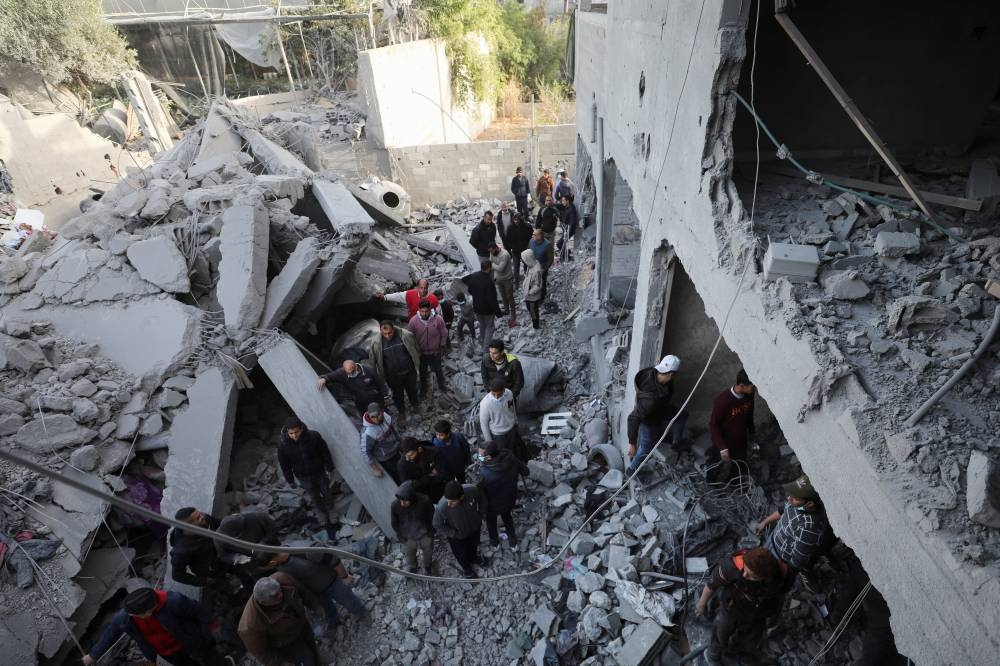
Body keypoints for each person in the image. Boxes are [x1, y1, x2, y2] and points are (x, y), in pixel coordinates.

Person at [695, 547, 791, 666]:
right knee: (721, 634)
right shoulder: (732, 567)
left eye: (752, 575)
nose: (745, 575)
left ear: (764, 577)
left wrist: (773, 615)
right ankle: (712, 656)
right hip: (731, 608)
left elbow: (779, 596)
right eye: (745, 569)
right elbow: (712, 584)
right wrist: (702, 604)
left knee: (749, 637)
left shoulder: (777, 578)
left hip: (757, 614)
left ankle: (737, 652)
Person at [83, 587, 226, 666]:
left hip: (189, 639)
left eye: (137, 615)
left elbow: (197, 610)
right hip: (167, 652)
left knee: (210, 657)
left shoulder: (173, 601)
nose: (133, 616)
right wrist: (92, 656)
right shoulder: (126, 616)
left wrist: (213, 625)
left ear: (149, 611)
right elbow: (110, 634)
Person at [262, 552, 366, 630]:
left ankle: (363, 614)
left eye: (266, 567)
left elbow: (333, 559)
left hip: (332, 582)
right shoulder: (279, 565)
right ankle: (333, 621)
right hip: (315, 590)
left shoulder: (304, 551)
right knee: (327, 609)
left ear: (272, 562)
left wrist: (344, 577)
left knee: (349, 601)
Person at [756, 474, 833, 574]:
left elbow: (798, 560)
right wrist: (765, 522)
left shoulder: (808, 527)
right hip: (772, 540)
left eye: (795, 498)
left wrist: (786, 570)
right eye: (791, 494)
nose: (789, 498)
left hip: (781, 559)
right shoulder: (796, 504)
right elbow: (782, 510)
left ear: (810, 504)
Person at [625, 354, 688, 475]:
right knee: (646, 448)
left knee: (682, 415)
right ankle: (631, 469)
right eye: (675, 375)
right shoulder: (650, 400)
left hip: (660, 409)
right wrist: (632, 443)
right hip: (649, 420)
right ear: (671, 374)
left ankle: (676, 444)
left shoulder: (652, 372)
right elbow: (633, 418)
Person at [238, 574, 321, 666]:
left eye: (280, 590)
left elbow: (303, 592)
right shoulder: (250, 626)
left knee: (313, 648)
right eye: (275, 596)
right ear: (263, 602)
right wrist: (281, 663)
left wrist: (316, 606)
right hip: (287, 642)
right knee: (306, 660)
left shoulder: (283, 579)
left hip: (302, 624)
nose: (281, 595)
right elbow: (262, 653)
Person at [170, 507, 254, 591]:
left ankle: (251, 587)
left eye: (200, 514)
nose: (203, 517)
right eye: (198, 518)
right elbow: (177, 575)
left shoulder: (205, 520)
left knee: (243, 573)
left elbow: (221, 525)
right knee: (227, 589)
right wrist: (204, 581)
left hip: (225, 556)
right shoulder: (182, 551)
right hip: (213, 572)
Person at [277, 417, 337, 534]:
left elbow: (325, 452)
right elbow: (284, 464)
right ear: (287, 432)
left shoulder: (314, 437)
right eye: (291, 433)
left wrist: (329, 468)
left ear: (301, 429)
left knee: (326, 490)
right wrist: (290, 480)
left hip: (319, 471)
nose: (294, 435)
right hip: (303, 476)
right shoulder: (283, 445)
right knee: (313, 495)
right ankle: (320, 512)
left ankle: (331, 509)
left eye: (296, 432)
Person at [477, 442, 527, 550]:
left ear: (489, 457)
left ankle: (495, 543)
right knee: (507, 518)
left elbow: (480, 494)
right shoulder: (511, 458)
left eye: (480, 455)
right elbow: (526, 471)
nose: (479, 457)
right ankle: (513, 542)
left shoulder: (484, 474)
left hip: (492, 505)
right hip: (509, 499)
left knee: (491, 522)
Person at [708, 369, 757, 479]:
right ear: (742, 386)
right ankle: (711, 482)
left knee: (739, 465)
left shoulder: (749, 395)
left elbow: (750, 414)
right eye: (753, 387)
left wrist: (752, 432)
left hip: (740, 440)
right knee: (716, 464)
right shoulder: (723, 401)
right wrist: (722, 447)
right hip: (724, 440)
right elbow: (713, 425)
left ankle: (735, 483)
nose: (755, 389)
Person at [433, 481, 486, 577]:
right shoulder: (442, 506)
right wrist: (453, 533)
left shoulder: (472, 490)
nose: (449, 504)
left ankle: (473, 558)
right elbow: (437, 524)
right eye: (447, 500)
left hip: (474, 529)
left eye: (452, 501)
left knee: (474, 545)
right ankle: (467, 569)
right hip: (457, 536)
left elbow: (482, 499)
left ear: (461, 496)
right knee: (461, 554)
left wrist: (480, 515)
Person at [369, 320, 421, 419]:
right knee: (397, 394)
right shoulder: (376, 342)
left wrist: (417, 363)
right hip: (392, 376)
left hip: (409, 371)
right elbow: (373, 360)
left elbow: (416, 348)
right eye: (384, 333)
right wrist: (376, 374)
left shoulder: (405, 335)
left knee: (412, 390)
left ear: (394, 328)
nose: (387, 336)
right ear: (381, 331)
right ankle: (401, 411)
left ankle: (415, 405)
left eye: (390, 333)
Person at [391, 480, 436, 575]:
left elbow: (432, 517)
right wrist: (402, 537)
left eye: (405, 501)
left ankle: (428, 567)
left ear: (412, 497)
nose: (402, 504)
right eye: (401, 501)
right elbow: (394, 523)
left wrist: (431, 533)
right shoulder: (395, 505)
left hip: (425, 535)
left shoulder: (425, 501)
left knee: (428, 554)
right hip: (408, 538)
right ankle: (413, 568)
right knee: (410, 557)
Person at [215, 512, 280, 575]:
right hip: (254, 565)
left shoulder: (255, 516)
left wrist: (263, 543)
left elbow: (274, 528)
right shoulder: (219, 538)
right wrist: (236, 558)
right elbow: (222, 555)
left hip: (273, 550)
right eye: (238, 536)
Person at [408, 298, 449, 398]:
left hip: (435, 351)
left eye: (426, 311)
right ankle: (423, 389)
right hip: (421, 353)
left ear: (430, 309)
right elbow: (410, 337)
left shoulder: (438, 319)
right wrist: (414, 351)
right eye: (422, 311)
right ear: (419, 310)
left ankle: (441, 385)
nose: (424, 314)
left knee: (438, 369)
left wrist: (442, 345)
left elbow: (444, 333)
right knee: (423, 371)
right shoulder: (413, 321)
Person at [479, 376, 526, 460]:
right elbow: (484, 424)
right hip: (498, 435)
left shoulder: (509, 393)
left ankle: (514, 463)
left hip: (511, 430)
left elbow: (512, 408)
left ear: (504, 390)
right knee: (501, 455)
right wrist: (489, 442)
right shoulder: (485, 404)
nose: (496, 397)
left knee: (512, 450)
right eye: (493, 394)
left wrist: (515, 421)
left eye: (499, 394)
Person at [461, 260, 504, 354]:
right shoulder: (489, 282)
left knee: (482, 325)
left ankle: (482, 341)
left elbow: (469, 290)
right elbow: (493, 300)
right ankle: (485, 349)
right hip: (487, 310)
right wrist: (499, 313)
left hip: (477, 307)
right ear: (488, 268)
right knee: (490, 327)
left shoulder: (474, 276)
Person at [316, 359, 385, 415]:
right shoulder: (342, 373)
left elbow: (380, 383)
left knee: (380, 416)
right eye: (348, 373)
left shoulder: (369, 370)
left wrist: (385, 396)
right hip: (361, 404)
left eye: (352, 372)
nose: (351, 375)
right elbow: (331, 376)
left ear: (356, 367)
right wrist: (324, 379)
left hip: (376, 400)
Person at [360, 402, 403, 483]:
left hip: (396, 449)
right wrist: (374, 468)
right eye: (373, 417)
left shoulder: (386, 417)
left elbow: (393, 430)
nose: (376, 420)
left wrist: (400, 442)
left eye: (378, 415)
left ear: (382, 411)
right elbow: (365, 451)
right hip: (386, 458)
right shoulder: (367, 433)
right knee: (397, 475)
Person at [397, 437, 446, 503]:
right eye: (405, 455)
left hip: (439, 489)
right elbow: (409, 487)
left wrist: (417, 482)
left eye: (411, 455)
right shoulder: (402, 465)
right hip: (422, 496)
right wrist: (427, 477)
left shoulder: (433, 452)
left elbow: (442, 475)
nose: (407, 459)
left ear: (419, 449)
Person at [431, 419, 472, 484]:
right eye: (437, 434)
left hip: (460, 467)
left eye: (441, 435)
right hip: (448, 472)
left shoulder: (459, 437)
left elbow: (466, 450)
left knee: (462, 481)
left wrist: (469, 463)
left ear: (448, 434)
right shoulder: (435, 444)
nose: (438, 437)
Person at [488, 242, 517, 325]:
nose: (491, 253)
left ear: (496, 248)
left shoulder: (505, 255)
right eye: (490, 251)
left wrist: (493, 265)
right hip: (498, 278)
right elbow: (491, 261)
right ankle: (507, 310)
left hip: (507, 278)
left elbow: (501, 269)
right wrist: (493, 265)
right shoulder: (492, 253)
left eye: (492, 251)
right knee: (503, 296)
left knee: (510, 297)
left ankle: (513, 314)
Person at [504, 212, 534, 287]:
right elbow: (507, 239)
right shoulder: (510, 227)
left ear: (521, 220)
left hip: (525, 250)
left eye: (517, 220)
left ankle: (527, 281)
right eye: (515, 220)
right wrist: (511, 247)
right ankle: (516, 283)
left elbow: (531, 236)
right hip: (515, 251)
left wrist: (528, 245)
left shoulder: (527, 226)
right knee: (516, 266)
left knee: (526, 265)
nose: (516, 221)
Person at [528, 229, 553, 302]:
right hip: (532, 266)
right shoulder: (531, 241)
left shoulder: (548, 245)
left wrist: (544, 269)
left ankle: (541, 298)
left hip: (542, 268)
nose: (532, 236)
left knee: (542, 283)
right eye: (533, 234)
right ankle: (533, 296)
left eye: (534, 235)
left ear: (539, 236)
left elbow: (550, 259)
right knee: (532, 282)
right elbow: (528, 252)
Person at [521, 248, 544, 330]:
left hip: (533, 296)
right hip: (528, 294)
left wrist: (530, 292)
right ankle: (534, 322)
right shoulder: (531, 265)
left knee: (533, 311)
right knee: (530, 309)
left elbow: (538, 285)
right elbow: (528, 276)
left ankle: (536, 326)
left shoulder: (537, 270)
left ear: (528, 258)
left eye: (524, 259)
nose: (523, 261)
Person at [557, 194, 579, 262]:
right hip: (566, 229)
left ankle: (566, 256)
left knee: (559, 243)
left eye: (563, 201)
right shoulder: (567, 207)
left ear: (567, 201)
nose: (562, 202)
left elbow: (572, 222)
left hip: (569, 230)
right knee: (561, 243)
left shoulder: (571, 209)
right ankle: (566, 254)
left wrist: (567, 233)